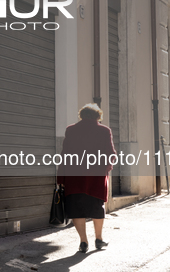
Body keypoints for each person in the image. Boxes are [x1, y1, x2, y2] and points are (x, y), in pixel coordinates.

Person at [57, 103, 117, 253]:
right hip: (96, 178)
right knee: (97, 207)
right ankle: (99, 239)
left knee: (76, 209)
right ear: (98, 116)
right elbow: (111, 154)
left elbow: (64, 155)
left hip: (74, 177)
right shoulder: (104, 131)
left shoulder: (71, 130)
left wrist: (61, 178)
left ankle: (83, 242)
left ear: (81, 115)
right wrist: (107, 167)